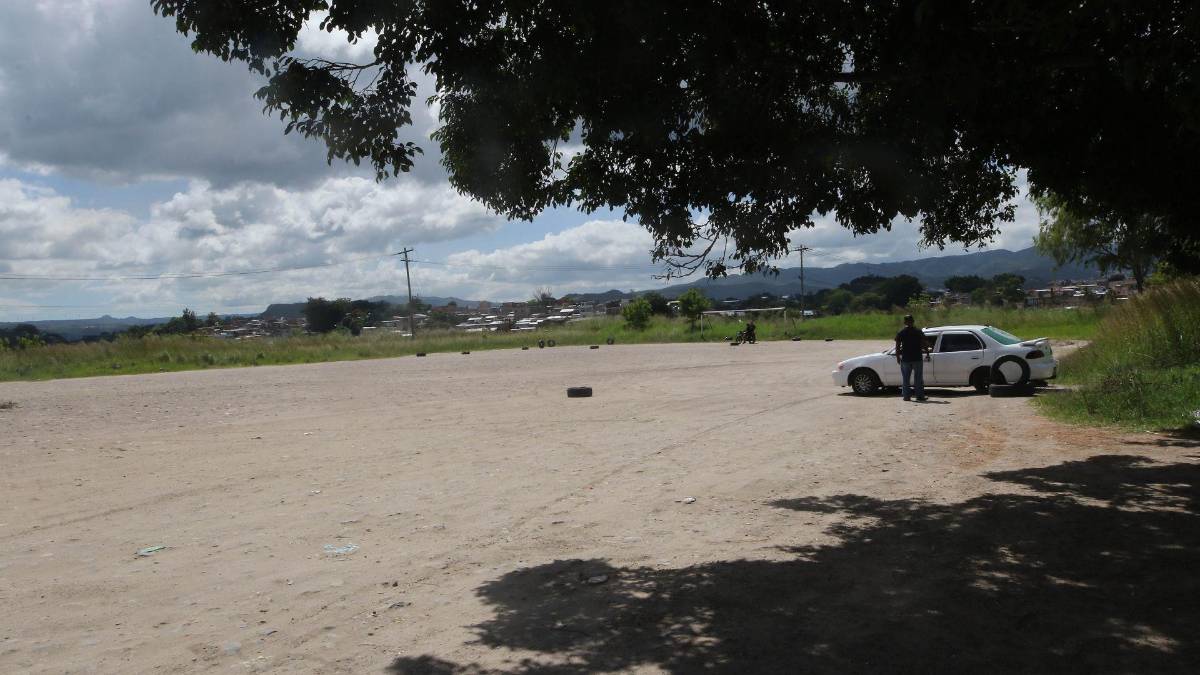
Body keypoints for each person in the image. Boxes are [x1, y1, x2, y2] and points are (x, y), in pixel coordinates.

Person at [895, 314, 930, 401]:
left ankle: (906, 396)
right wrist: (927, 353)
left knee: (906, 379)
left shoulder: (901, 332)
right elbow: (924, 343)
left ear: (904, 322)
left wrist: (898, 357)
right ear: (913, 321)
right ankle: (919, 396)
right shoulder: (918, 331)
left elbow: (897, 346)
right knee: (918, 378)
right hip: (917, 358)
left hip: (906, 359)